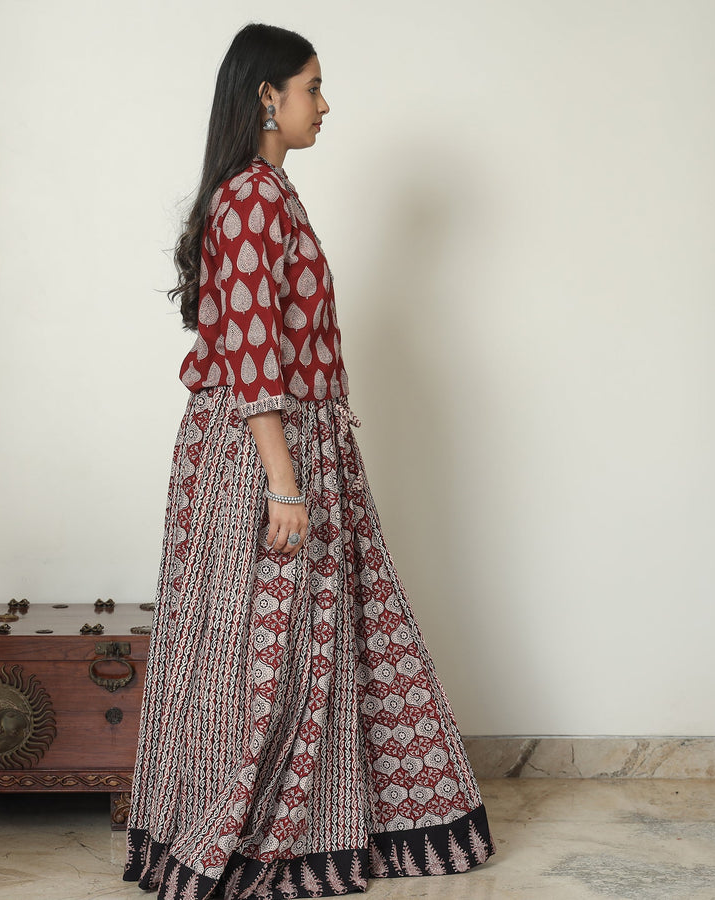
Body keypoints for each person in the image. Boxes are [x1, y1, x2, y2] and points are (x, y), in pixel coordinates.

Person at [123, 23, 495, 900]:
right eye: (312, 87)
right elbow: (253, 352)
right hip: (263, 452)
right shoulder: (251, 199)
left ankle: (326, 824)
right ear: (268, 96)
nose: (324, 105)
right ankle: (250, 833)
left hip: (295, 443)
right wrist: (284, 485)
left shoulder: (269, 193)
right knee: (263, 649)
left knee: (305, 642)